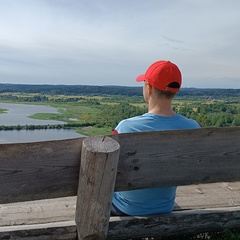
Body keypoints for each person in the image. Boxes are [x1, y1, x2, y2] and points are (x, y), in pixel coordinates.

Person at [111, 60, 200, 216]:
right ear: (175, 90)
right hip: (165, 206)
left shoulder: (125, 127)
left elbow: (109, 170)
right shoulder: (193, 128)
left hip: (127, 208)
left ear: (149, 88)